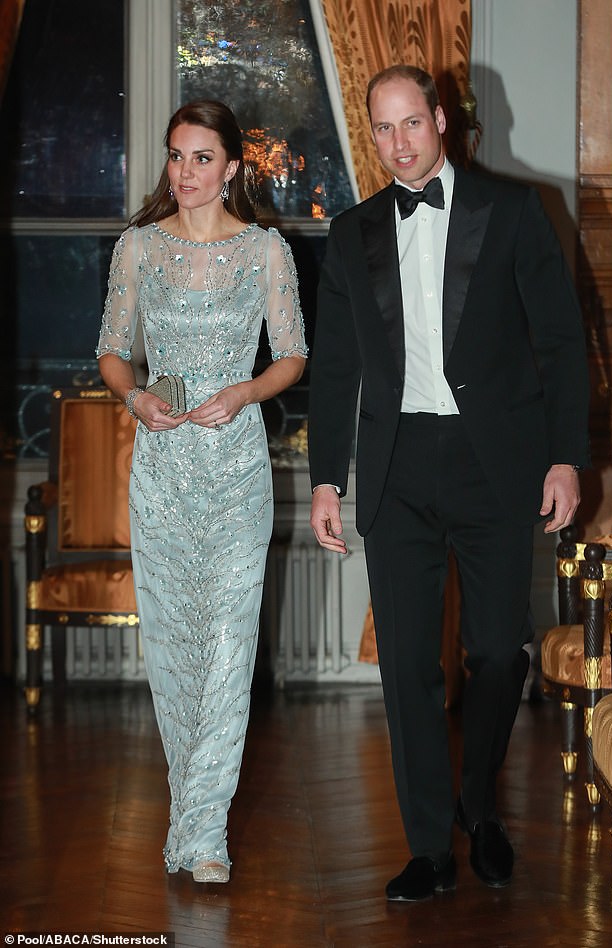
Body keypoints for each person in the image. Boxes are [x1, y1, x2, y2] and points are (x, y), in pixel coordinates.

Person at [308, 65, 589, 902]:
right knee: (406, 669)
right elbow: (335, 369)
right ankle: (429, 844)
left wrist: (566, 456)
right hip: (396, 470)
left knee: (500, 652)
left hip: (494, 463)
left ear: (441, 119)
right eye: (382, 131)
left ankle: (480, 803)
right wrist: (327, 479)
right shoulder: (354, 231)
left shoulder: (512, 211)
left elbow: (563, 345)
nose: (399, 145)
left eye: (411, 124)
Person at [97, 100, 307, 883]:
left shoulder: (265, 252)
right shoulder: (138, 249)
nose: (184, 174)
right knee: (176, 653)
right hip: (160, 470)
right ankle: (190, 817)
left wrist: (247, 392)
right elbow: (113, 352)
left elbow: (291, 356)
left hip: (236, 469)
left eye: (201, 158)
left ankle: (207, 835)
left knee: (228, 646)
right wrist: (136, 397)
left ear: (232, 168)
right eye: (176, 157)